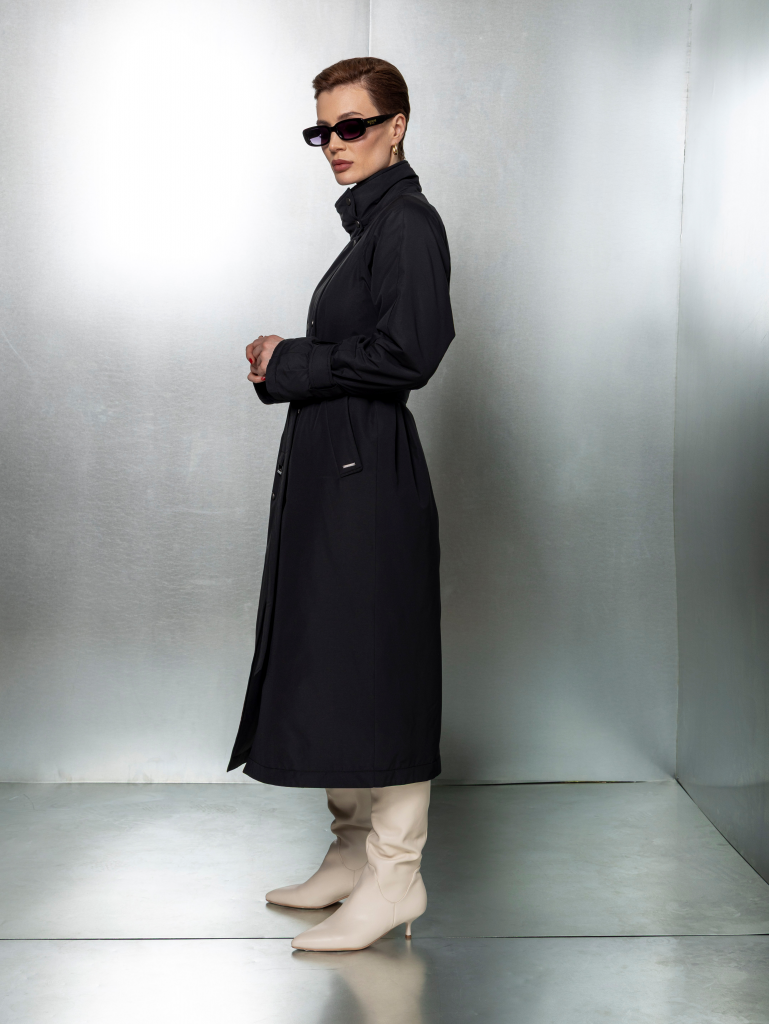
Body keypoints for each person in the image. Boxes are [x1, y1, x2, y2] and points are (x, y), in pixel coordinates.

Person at [227, 56, 455, 952]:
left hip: (371, 485)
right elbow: (364, 346)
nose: (334, 143)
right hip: (338, 480)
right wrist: (285, 359)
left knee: (380, 667)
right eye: (322, 130)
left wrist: (293, 360)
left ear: (396, 127)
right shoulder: (367, 228)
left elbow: (409, 353)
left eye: (351, 126)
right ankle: (352, 853)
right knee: (336, 660)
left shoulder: (408, 224)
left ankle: (395, 876)